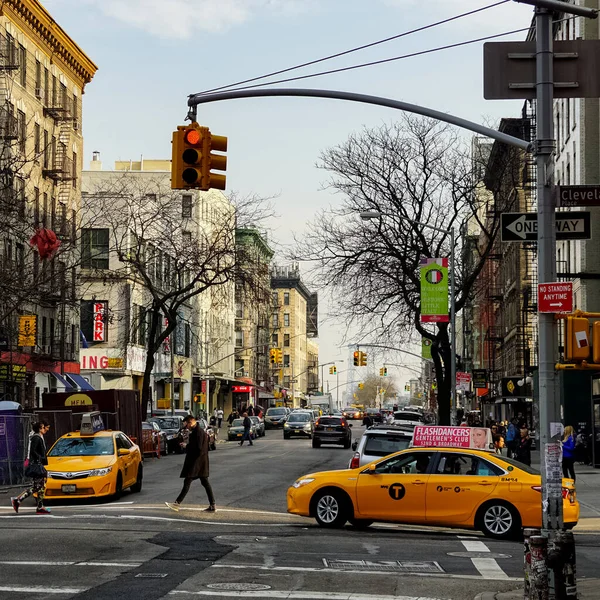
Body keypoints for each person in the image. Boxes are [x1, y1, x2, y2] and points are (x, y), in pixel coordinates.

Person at [166, 415, 215, 512]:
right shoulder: (197, 431)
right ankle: (212, 504)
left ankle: (177, 503)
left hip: (197, 462)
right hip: (200, 462)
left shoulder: (199, 432)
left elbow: (198, 448)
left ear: (191, 422)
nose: (186, 427)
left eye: (187, 424)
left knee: (188, 482)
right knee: (204, 482)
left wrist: (186, 446)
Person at [11, 420, 51, 515]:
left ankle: (39, 506)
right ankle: (18, 500)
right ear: (40, 427)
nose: (45, 429)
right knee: (38, 486)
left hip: (37, 464)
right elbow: (33, 451)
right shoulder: (36, 438)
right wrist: (40, 458)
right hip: (37, 465)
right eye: (43, 427)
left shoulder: (37, 437)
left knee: (40, 486)